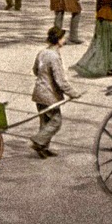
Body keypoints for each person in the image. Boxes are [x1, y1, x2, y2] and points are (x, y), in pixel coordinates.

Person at [31, 26, 80, 159]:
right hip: (49, 95)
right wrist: (73, 93)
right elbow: (60, 81)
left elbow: (35, 70)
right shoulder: (54, 57)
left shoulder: (42, 53)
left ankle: (43, 148)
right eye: (63, 38)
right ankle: (38, 141)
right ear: (58, 40)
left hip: (38, 92)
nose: (64, 40)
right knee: (56, 122)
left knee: (44, 122)